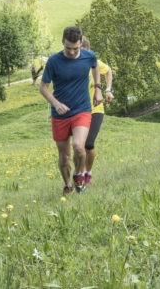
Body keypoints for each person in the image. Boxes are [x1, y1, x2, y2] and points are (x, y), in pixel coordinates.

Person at [40, 26, 102, 194]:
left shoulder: (89, 56)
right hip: (60, 114)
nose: (72, 52)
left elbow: (95, 66)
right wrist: (55, 103)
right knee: (64, 156)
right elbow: (43, 87)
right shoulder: (54, 61)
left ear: (81, 43)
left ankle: (78, 175)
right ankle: (68, 184)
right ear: (63, 43)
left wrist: (98, 88)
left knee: (79, 146)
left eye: (76, 48)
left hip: (81, 109)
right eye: (68, 48)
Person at [81, 36, 114, 186]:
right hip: (79, 110)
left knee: (88, 144)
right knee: (79, 146)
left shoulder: (94, 62)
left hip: (96, 110)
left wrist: (108, 89)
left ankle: (88, 172)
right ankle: (80, 174)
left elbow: (108, 71)